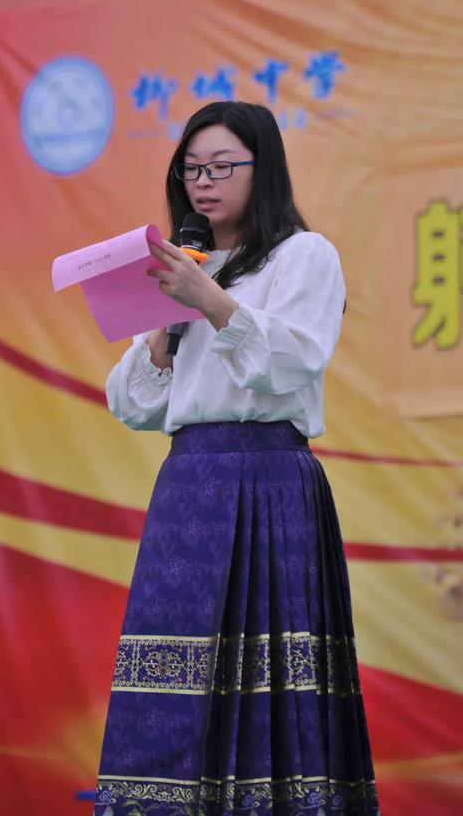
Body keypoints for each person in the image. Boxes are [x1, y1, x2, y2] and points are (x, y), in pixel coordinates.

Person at [93, 101, 379, 816]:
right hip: (188, 484)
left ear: (263, 168)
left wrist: (211, 301)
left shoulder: (303, 256)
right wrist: (164, 322)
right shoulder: (183, 265)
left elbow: (291, 362)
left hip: (267, 478)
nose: (203, 182)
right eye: (191, 168)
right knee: (173, 662)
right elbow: (133, 402)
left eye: (222, 166)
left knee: (265, 672)